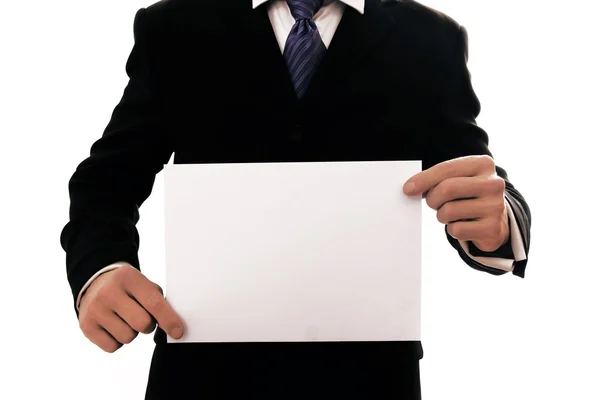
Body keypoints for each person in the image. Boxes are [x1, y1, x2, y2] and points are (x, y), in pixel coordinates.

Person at [60, 0, 532, 398]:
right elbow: (106, 181)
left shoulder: (430, 38)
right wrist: (100, 268)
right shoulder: (175, 25)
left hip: (370, 380)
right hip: (201, 377)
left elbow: (479, 176)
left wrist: (498, 219)